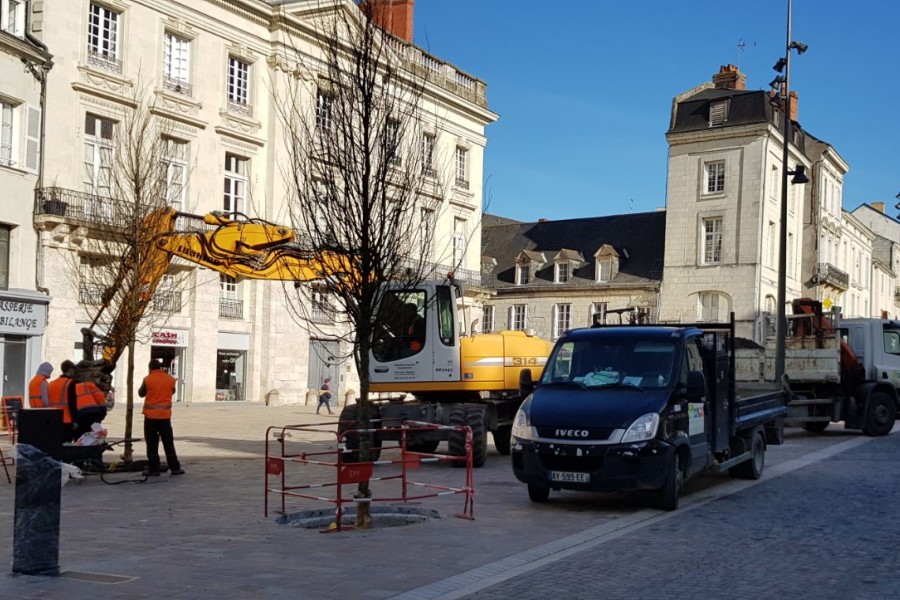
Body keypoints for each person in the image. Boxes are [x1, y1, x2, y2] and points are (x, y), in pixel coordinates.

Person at [139, 359, 184, 476]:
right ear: (161, 368)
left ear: (150, 368)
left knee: (152, 444)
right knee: (168, 442)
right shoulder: (170, 379)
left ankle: (154, 469)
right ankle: (175, 468)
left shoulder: (147, 379)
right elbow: (172, 391)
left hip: (150, 417)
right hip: (165, 417)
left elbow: (141, 393)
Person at [46, 360, 78, 442]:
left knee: (55, 443)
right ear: (70, 370)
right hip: (66, 420)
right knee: (66, 445)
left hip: (53, 419)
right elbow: (72, 403)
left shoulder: (51, 384)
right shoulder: (70, 383)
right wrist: (75, 420)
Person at [73, 371, 108, 439]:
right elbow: (100, 398)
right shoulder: (88, 385)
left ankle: (79, 447)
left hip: (79, 415)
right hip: (93, 413)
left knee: (79, 435)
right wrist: (101, 416)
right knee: (95, 434)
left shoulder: (70, 388)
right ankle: (94, 445)